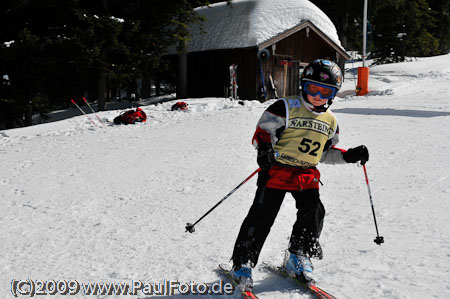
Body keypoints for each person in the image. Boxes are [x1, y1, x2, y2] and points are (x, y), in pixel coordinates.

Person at [230, 59, 369, 288]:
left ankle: (298, 255)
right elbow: (264, 131)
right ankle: (243, 262)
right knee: (262, 216)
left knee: (313, 213)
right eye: (312, 88)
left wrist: (348, 156)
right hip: (276, 170)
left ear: (333, 94)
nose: (317, 95)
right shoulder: (285, 106)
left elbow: (324, 153)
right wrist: (264, 150)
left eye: (325, 91)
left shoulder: (331, 121)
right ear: (303, 86)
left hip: (306, 175)